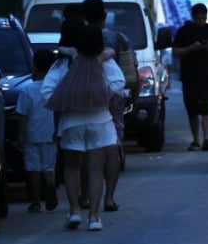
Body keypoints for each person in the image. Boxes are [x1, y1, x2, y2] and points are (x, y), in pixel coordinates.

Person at [42, 23, 126, 231]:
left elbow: (46, 91)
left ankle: (74, 212)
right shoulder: (104, 61)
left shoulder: (64, 63)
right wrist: (103, 95)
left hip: (71, 123)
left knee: (71, 168)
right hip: (100, 122)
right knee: (96, 170)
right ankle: (94, 217)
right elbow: (119, 83)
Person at [83, 0, 131, 213]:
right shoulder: (117, 37)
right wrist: (134, 94)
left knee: (83, 150)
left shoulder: (76, 37)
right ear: (104, 16)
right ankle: (109, 197)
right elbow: (129, 71)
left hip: (81, 101)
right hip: (111, 102)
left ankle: (84, 197)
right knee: (112, 149)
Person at [173, 3, 208, 151]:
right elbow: (175, 52)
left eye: (203, 18)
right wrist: (191, 48)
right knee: (192, 109)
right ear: (193, 17)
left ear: (207, 17)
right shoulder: (184, 31)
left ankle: (206, 138)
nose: (201, 21)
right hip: (190, 76)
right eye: (198, 18)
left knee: (207, 107)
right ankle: (196, 139)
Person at [15, 49, 59, 213]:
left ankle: (35, 202)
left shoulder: (27, 90)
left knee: (33, 168)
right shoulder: (55, 88)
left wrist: (20, 135)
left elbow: (23, 115)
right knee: (49, 167)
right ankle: (50, 186)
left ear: (35, 66)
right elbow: (58, 111)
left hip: (32, 134)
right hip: (50, 133)